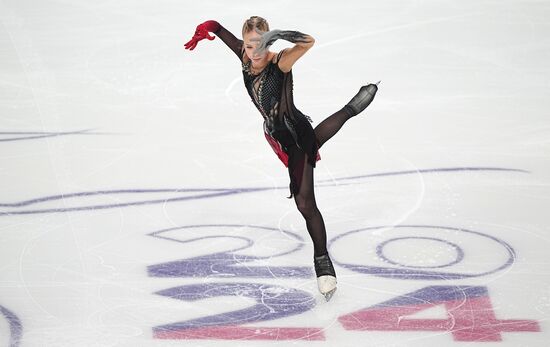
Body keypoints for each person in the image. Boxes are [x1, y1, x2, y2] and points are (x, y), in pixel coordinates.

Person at [184, 16, 378, 301]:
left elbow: (308, 42)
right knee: (313, 156)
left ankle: (322, 262)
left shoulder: (280, 63)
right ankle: (351, 108)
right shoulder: (243, 54)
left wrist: (277, 35)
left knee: (304, 201)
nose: (256, 51)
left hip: (295, 135)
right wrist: (206, 28)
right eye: (251, 45)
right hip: (275, 136)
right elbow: (219, 29)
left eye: (263, 43)